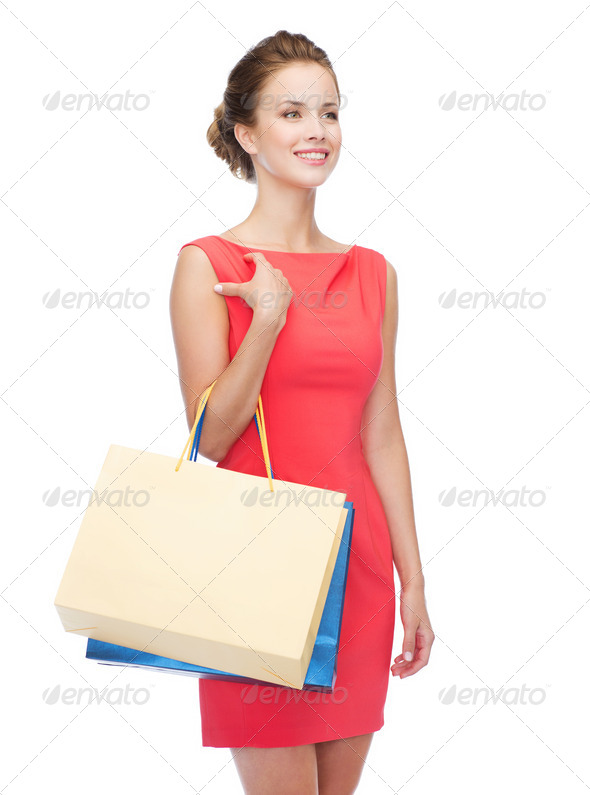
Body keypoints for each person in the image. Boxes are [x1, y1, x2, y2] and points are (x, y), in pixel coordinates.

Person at [169, 29, 434, 795]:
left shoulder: (373, 274)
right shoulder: (210, 266)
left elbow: (382, 435)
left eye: (329, 112)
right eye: (292, 112)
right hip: (253, 561)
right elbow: (212, 436)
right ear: (247, 133)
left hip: (359, 563)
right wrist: (268, 318)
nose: (317, 131)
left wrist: (413, 579)